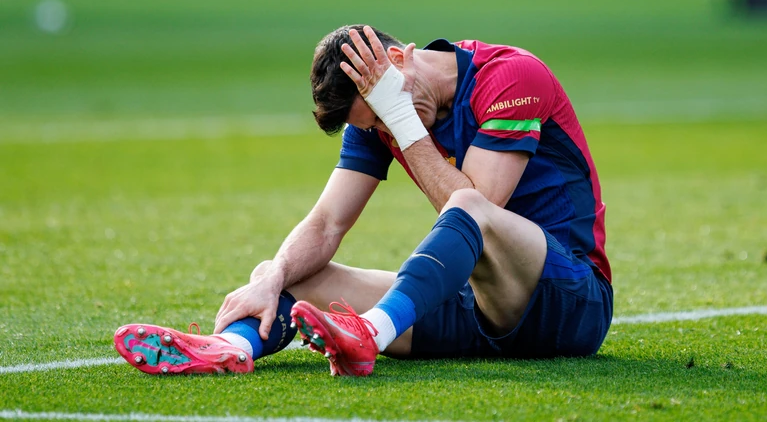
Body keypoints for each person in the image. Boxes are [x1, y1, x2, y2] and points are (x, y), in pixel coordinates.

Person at [114, 25, 612, 377]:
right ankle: (227, 348)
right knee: (290, 272)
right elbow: (327, 223)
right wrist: (271, 279)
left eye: (380, 115)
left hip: (570, 303)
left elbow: (479, 207)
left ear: (396, 61)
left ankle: (369, 334)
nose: (382, 130)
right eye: (374, 123)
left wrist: (398, 115)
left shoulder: (510, 76)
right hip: (476, 310)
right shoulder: (380, 114)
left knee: (469, 207)